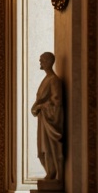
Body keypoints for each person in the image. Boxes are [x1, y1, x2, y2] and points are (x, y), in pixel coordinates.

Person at [31, 52, 65, 181]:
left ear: (49, 62)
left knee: (49, 149)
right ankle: (50, 172)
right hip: (43, 119)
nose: (40, 62)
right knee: (42, 152)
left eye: (42, 60)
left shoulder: (54, 80)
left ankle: (54, 173)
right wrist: (37, 106)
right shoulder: (46, 79)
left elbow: (57, 102)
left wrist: (41, 107)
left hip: (49, 120)